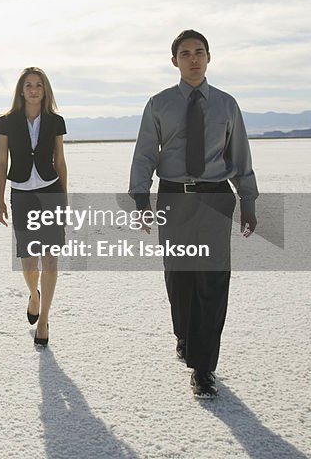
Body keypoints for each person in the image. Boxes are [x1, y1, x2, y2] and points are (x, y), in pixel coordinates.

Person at [129, 30, 257, 398]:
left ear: (209, 57)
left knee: (213, 280)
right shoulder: (159, 104)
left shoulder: (226, 104)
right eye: (185, 54)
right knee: (180, 277)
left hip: (216, 198)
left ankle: (203, 368)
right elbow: (144, 155)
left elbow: (239, 156)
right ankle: (184, 334)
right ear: (175, 61)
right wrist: (141, 201)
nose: (193, 59)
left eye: (199, 52)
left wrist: (247, 200)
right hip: (174, 198)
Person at [0, 67, 68, 347]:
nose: (34, 89)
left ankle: (44, 320)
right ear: (21, 90)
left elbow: (60, 161)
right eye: (29, 85)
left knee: (50, 258)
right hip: (22, 193)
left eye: (38, 85)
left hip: (50, 191)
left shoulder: (55, 121)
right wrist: (0, 198)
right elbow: (2, 162)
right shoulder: (6, 122)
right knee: (28, 262)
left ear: (45, 90)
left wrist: (63, 196)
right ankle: (34, 296)